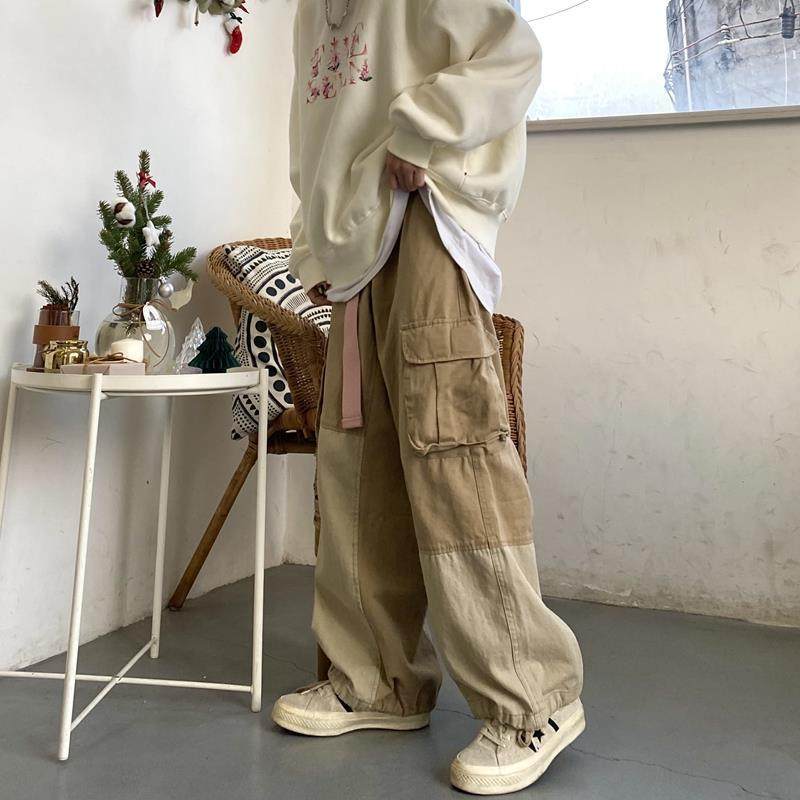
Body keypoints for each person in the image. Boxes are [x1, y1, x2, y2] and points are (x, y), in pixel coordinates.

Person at [272, 0, 585, 793]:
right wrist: (315, 245)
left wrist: (422, 132)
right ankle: (378, 680)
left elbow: (513, 56)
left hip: (426, 222)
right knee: (355, 466)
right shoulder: (310, 11)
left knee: (454, 457)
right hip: (354, 256)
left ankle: (532, 700)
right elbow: (313, 137)